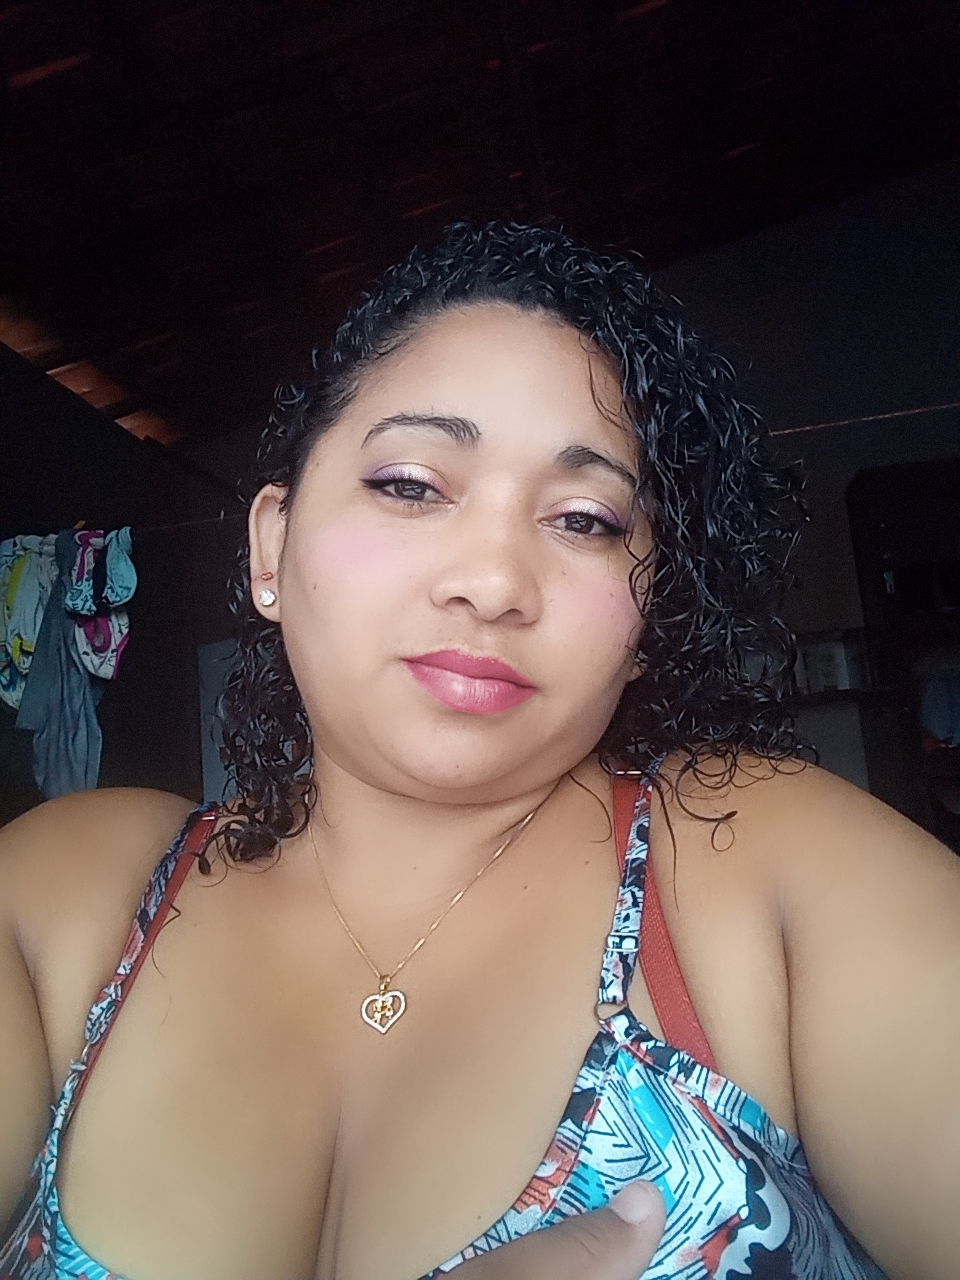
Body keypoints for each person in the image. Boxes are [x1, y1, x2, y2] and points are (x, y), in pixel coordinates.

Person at [1, 221, 958, 1280]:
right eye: (411, 484)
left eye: (586, 519)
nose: (495, 582)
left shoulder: (764, 867)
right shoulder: (64, 900)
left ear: (651, 615)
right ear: (271, 544)